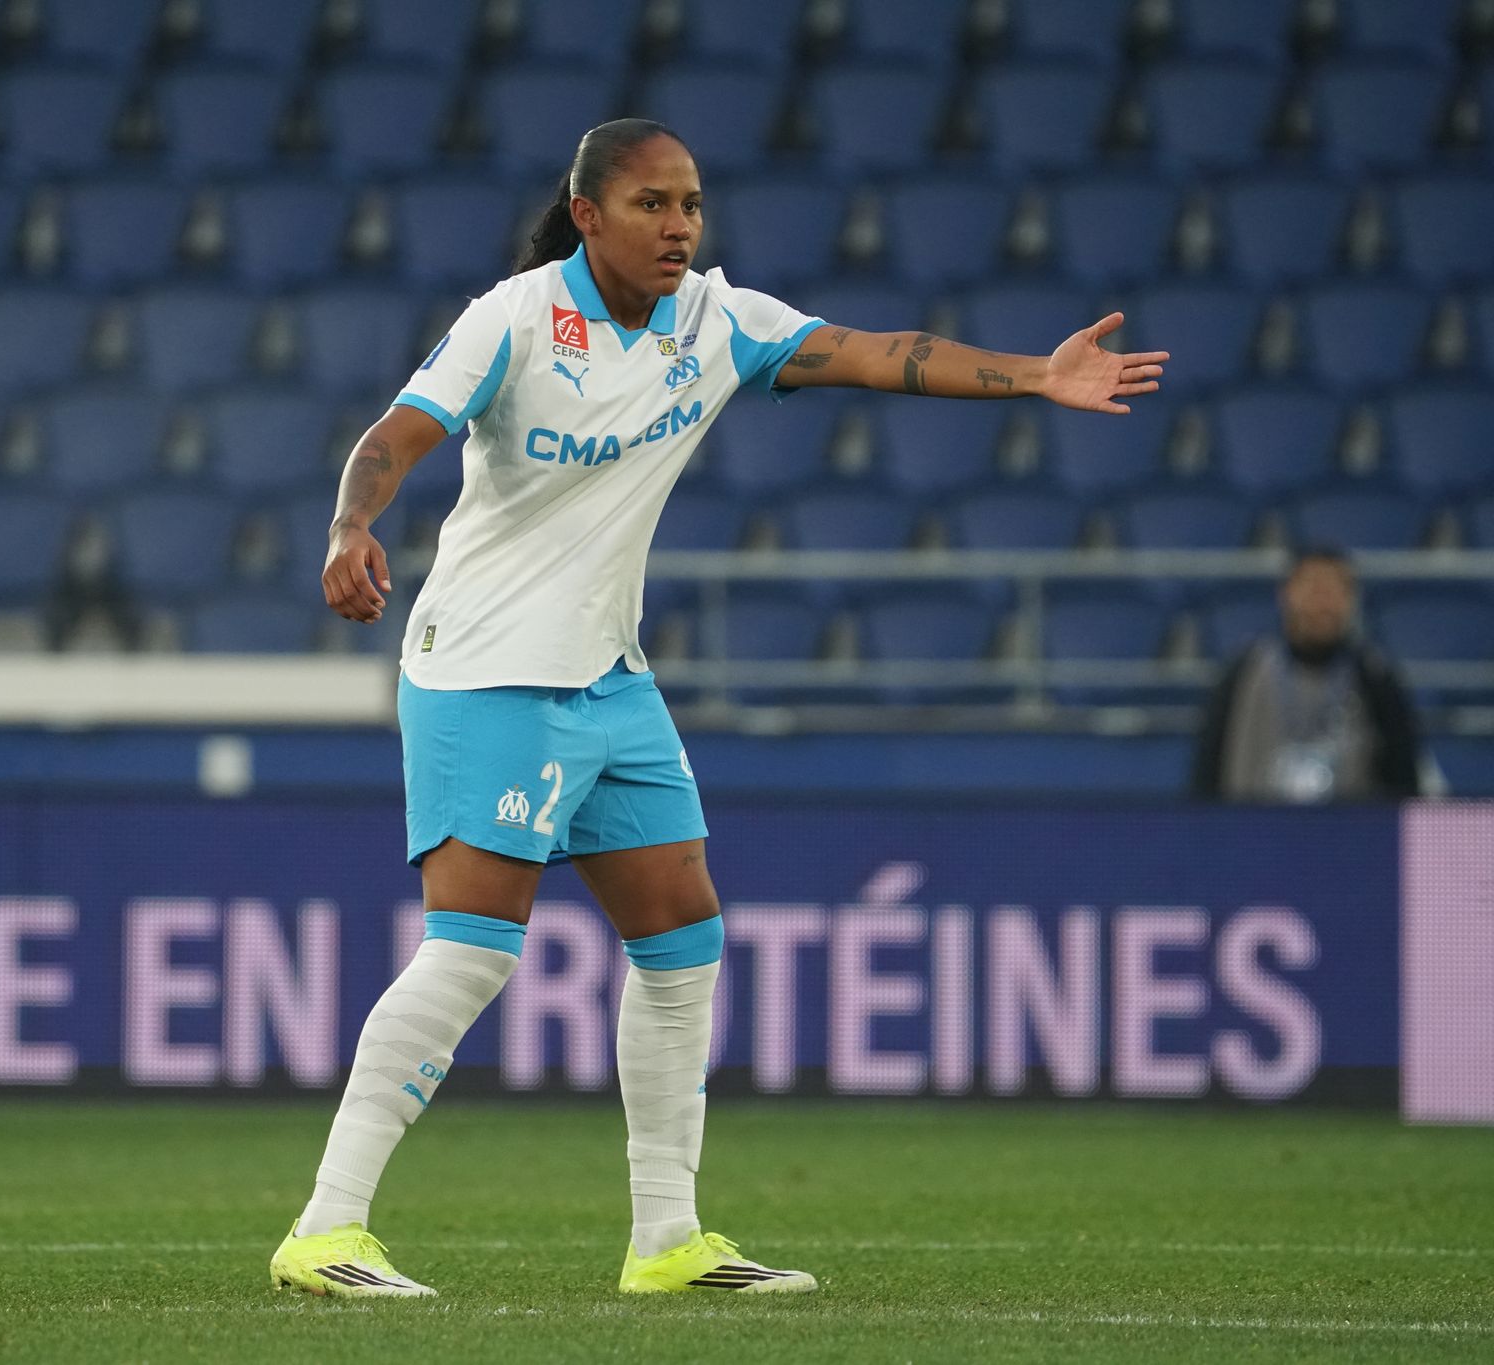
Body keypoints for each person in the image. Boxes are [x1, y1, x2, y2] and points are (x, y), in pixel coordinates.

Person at [268, 118, 1170, 1299]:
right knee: (474, 951)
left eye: (690, 203)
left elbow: (873, 353)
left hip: (609, 676)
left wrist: (1036, 375)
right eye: (650, 203)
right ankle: (326, 1231)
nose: (678, 226)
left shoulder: (716, 321)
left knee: (681, 940)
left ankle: (666, 1240)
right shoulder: (515, 319)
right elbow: (393, 438)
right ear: (586, 215)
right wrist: (350, 525)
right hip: (486, 672)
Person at [1191, 547, 1427, 802]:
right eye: (1314, 588)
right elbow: (1207, 772)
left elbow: (1405, 783)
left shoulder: (1375, 678)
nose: (1323, 602)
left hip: (1350, 825)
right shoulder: (1244, 672)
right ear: (1286, 594)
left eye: (1335, 589)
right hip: (1252, 822)